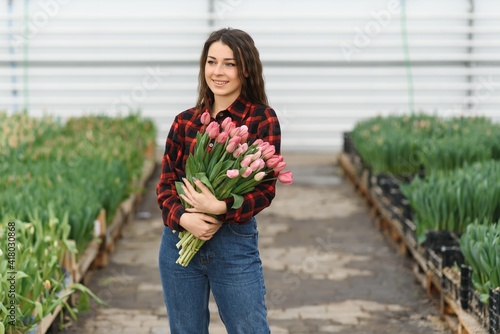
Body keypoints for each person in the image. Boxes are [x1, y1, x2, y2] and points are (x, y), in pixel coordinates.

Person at [156, 28, 281, 334]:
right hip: (178, 243)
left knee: (249, 329)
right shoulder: (185, 120)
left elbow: (265, 189)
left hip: (233, 244)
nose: (218, 72)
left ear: (246, 69)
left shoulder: (261, 119)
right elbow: (166, 183)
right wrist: (185, 218)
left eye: (229, 63)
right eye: (212, 62)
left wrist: (220, 206)